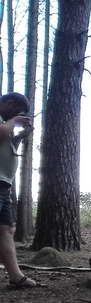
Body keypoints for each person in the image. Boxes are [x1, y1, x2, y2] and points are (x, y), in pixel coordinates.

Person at [0, 92, 37, 288]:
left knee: (6, 229)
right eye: (18, 111)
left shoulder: (6, 123)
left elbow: (7, 145)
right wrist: (14, 121)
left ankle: (15, 277)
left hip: (4, 184)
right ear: (10, 103)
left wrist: (21, 135)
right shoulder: (4, 122)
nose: (18, 116)